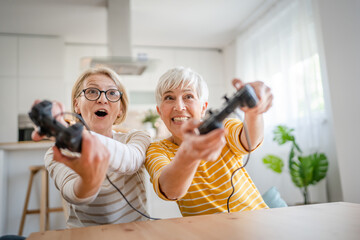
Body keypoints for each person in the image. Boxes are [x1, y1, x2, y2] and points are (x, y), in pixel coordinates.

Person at [145, 67, 273, 216]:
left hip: (257, 219)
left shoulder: (224, 128)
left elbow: (251, 138)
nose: (179, 107)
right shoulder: (156, 149)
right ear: (160, 112)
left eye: (188, 96)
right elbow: (170, 191)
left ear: (203, 108)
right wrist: (189, 154)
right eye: (169, 98)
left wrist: (255, 111)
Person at [32, 66, 151, 227]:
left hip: (137, 234)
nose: (102, 99)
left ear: (120, 109)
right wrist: (89, 180)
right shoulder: (59, 152)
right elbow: (73, 194)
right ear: (77, 105)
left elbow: (131, 161)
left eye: (112, 93)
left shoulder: (136, 137)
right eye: (92, 92)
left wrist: (75, 135)